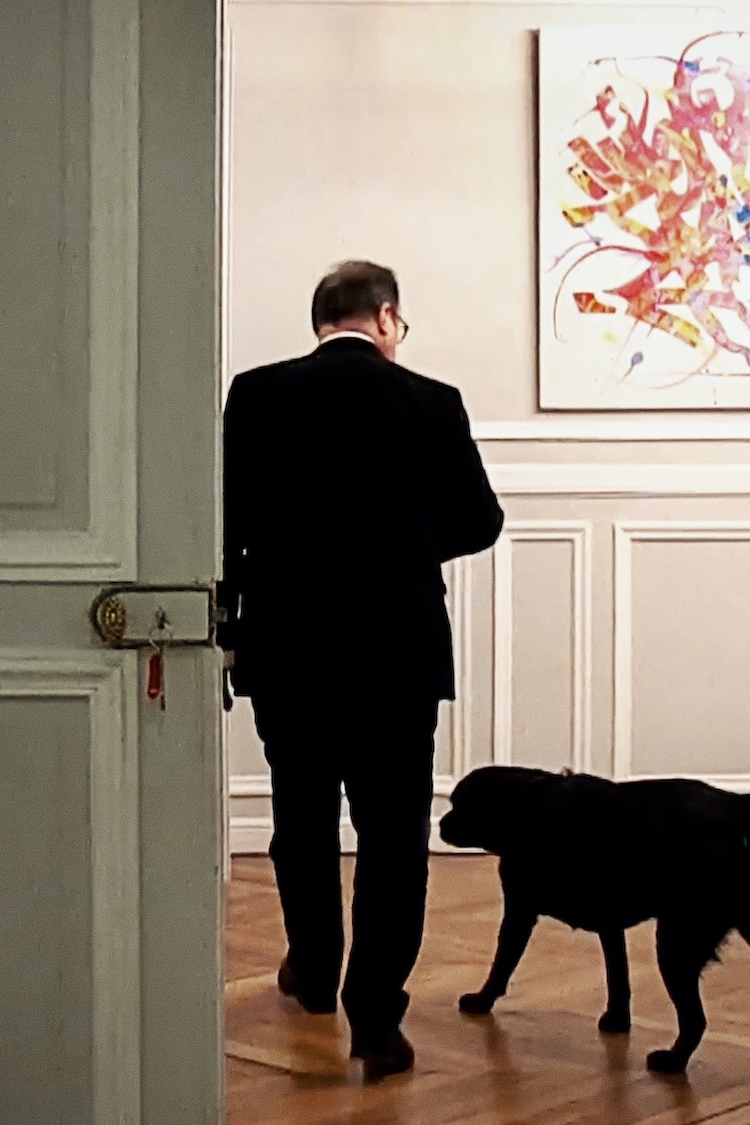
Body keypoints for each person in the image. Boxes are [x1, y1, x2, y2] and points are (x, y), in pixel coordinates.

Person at [219, 260, 504, 1079]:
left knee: (301, 820)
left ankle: (312, 971)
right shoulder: (430, 400)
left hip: (288, 649)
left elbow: (227, 518)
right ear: (384, 317)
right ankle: (376, 1016)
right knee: (392, 836)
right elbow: (480, 520)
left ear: (321, 321)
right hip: (398, 652)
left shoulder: (258, 393)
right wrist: (408, 544)